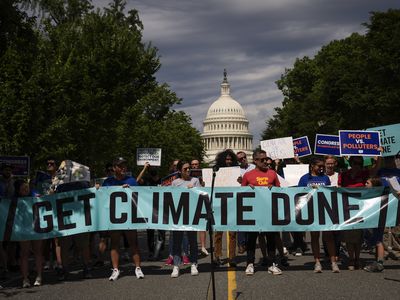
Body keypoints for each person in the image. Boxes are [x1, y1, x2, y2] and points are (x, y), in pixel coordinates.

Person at [102, 157, 144, 281]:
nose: (123, 168)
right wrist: (98, 189)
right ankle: (115, 269)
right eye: (120, 166)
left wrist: (130, 189)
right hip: (115, 218)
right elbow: (102, 198)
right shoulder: (108, 182)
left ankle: (138, 268)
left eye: (124, 165)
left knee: (133, 243)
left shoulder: (131, 180)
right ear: (114, 168)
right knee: (114, 244)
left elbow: (139, 197)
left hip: (129, 217)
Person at [241, 149, 282, 276]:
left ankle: (271, 263)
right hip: (253, 211)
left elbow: (280, 191)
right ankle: (250, 263)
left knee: (271, 238)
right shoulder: (248, 175)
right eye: (262, 159)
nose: (265, 161)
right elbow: (241, 193)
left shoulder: (272, 173)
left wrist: (274, 188)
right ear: (255, 160)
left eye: (266, 159)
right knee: (251, 239)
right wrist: (248, 188)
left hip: (269, 211)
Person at [297, 157, 339, 273]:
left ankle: (333, 262)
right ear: (312, 166)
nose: (321, 168)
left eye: (322, 166)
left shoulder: (325, 178)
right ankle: (317, 262)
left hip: (325, 210)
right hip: (311, 211)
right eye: (319, 166)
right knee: (314, 237)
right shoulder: (304, 178)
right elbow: (299, 194)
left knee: (329, 237)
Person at [170, 160, 200, 278]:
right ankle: (176, 265)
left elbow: (202, 195)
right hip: (178, 215)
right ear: (179, 171)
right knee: (177, 241)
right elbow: (171, 198)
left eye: (189, 168)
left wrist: (194, 189)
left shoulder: (195, 180)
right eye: (185, 169)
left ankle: (194, 263)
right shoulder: (175, 182)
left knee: (192, 240)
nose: (188, 170)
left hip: (192, 214)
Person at [13, 180, 43, 288]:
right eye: (23, 188)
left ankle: (39, 276)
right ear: (18, 190)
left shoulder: (34, 194)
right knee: (24, 254)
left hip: (36, 228)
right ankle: (25, 279)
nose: (26, 190)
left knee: (38, 252)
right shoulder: (14, 200)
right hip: (23, 230)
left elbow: (39, 195)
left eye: (27, 187)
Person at [213, 149, 238, 267]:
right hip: (219, 205)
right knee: (218, 233)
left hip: (232, 205)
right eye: (227, 159)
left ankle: (232, 257)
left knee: (232, 234)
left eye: (230, 159)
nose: (228, 161)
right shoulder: (216, 171)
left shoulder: (237, 173)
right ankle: (217, 255)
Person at [363, 177, 385, 272]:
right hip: (376, 219)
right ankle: (377, 262)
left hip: (378, 220)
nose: (365, 184)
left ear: (374, 186)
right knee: (376, 240)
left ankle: (380, 263)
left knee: (378, 241)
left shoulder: (377, 195)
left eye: (367, 183)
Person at [236, 151, 255, 254]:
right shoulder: (235, 170)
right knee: (241, 221)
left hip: (252, 197)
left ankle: (247, 242)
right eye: (240, 159)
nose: (243, 159)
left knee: (250, 221)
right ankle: (241, 243)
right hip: (239, 197)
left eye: (244, 157)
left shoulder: (253, 167)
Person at [190, 158, 208, 256]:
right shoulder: (187, 176)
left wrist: (203, 184)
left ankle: (203, 246)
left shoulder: (205, 174)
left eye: (196, 164)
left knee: (202, 226)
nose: (194, 166)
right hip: (190, 202)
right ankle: (192, 246)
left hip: (200, 201)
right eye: (193, 164)